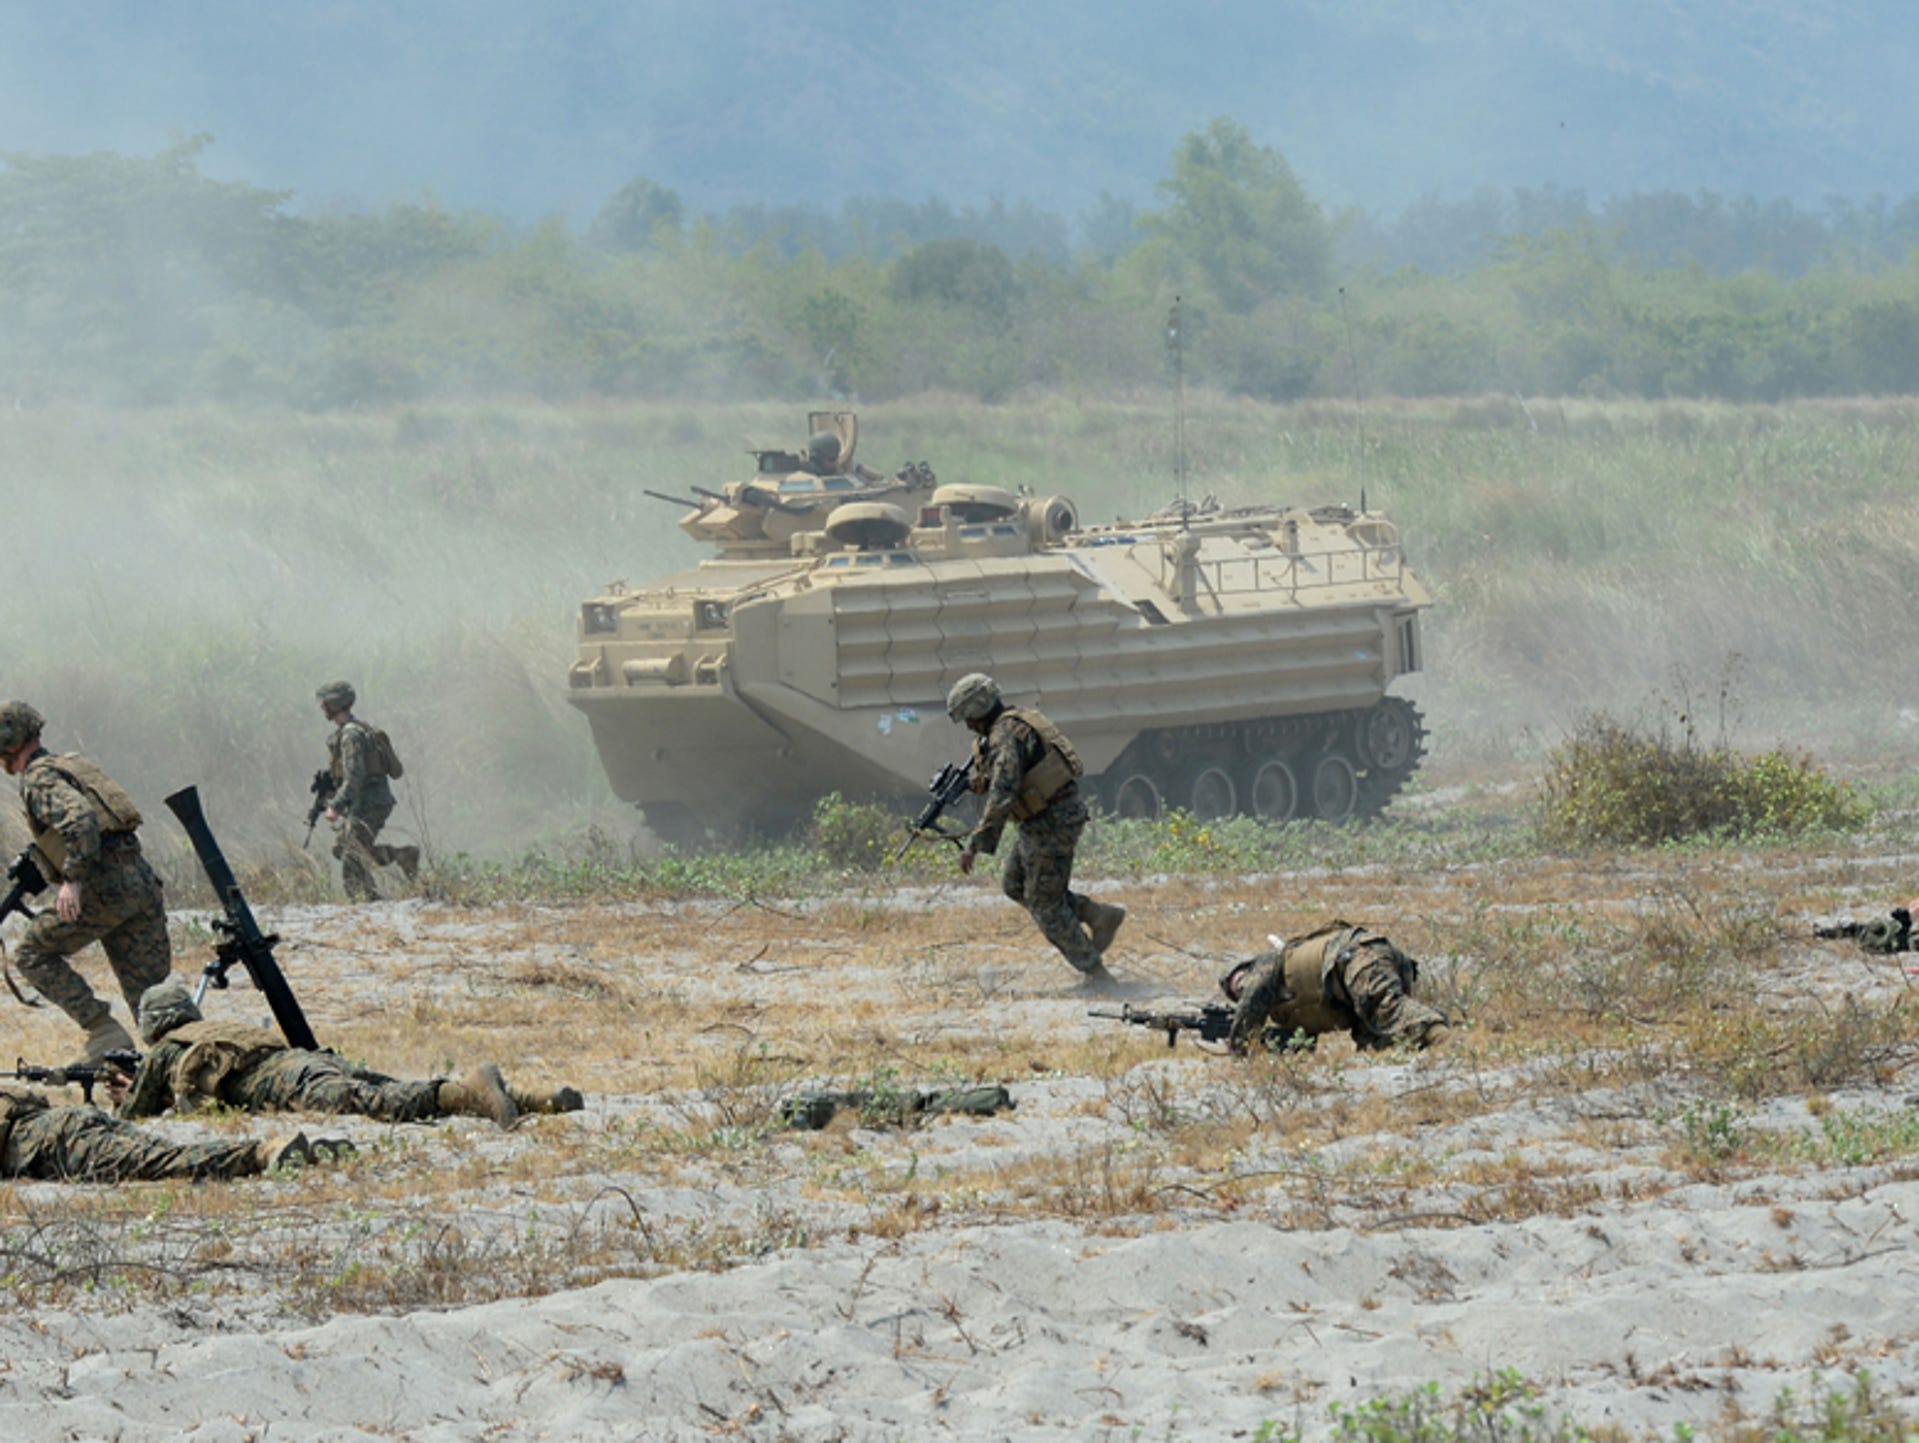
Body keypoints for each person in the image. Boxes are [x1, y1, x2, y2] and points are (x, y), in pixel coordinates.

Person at [111, 978, 583, 1131]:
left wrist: (126, 1094)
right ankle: (533, 1098)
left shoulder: (166, 1052)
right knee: (383, 1086)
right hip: (310, 1061)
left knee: (374, 1104)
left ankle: (468, 1095)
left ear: (153, 1029)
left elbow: (133, 1119)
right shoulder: (215, 1028)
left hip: (294, 1084)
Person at [0, 700, 173, 1064]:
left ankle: (103, 1030)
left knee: (31, 953)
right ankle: (187, 1065)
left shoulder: (39, 778)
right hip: (139, 883)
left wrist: (72, 880)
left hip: (103, 889)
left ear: (9, 741)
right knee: (156, 1004)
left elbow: (80, 820)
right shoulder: (69, 765)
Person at [945, 673, 1126, 981]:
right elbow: (1015, 776)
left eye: (968, 717)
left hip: (1051, 822)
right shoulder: (1014, 725)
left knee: (1045, 905)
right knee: (1015, 884)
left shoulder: (1004, 735)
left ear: (979, 708)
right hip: (1041, 821)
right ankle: (1098, 916)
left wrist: (975, 843)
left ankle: (1097, 974)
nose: (969, 726)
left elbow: (1003, 793)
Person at [1, 1084, 347, 1183]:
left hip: (58, 1142)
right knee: (171, 1153)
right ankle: (311, 1153)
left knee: (163, 1164)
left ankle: (262, 1153)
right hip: (75, 1118)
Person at [1220, 919, 1450, 1054]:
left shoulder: (1269, 962)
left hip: (1356, 956)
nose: (1242, 988)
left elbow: (1253, 997)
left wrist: (1239, 1042)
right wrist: (1262, 1043)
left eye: (1241, 981)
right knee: (1378, 1041)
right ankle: (1443, 1039)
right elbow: (1302, 1044)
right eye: (1236, 993)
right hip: (1361, 970)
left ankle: (1448, 1040)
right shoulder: (1287, 1008)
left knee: (1388, 1010)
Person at [315, 681, 418, 901]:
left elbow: (356, 776)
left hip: (369, 803)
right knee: (344, 850)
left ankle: (369, 902)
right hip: (370, 801)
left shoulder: (351, 735)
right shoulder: (355, 729)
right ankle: (401, 858)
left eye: (325, 703)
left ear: (336, 704)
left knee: (352, 863)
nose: (322, 707)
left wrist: (335, 806)